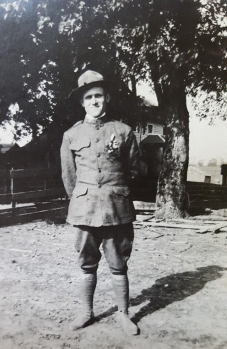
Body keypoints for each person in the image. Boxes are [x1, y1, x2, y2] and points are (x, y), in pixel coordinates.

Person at [60, 70, 141, 335]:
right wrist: (80, 200)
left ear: (106, 98)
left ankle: (124, 315)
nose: (94, 101)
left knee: (119, 262)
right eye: (89, 97)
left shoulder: (124, 131)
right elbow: (69, 177)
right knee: (87, 262)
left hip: (117, 207)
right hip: (84, 209)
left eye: (98, 95)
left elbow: (135, 169)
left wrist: (117, 190)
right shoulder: (71, 135)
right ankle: (86, 313)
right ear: (82, 103)